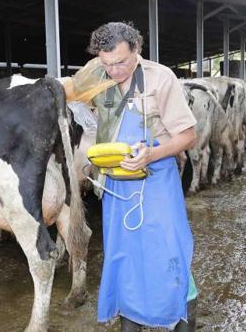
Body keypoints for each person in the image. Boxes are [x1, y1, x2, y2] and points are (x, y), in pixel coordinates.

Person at [65, 22, 198, 332]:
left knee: (167, 250)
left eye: (122, 62)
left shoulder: (160, 78)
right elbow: (67, 89)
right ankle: (130, 319)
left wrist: (151, 154)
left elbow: (188, 136)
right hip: (116, 185)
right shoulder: (95, 72)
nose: (114, 71)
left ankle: (182, 319)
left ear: (136, 50)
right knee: (124, 256)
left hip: (156, 179)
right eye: (107, 63)